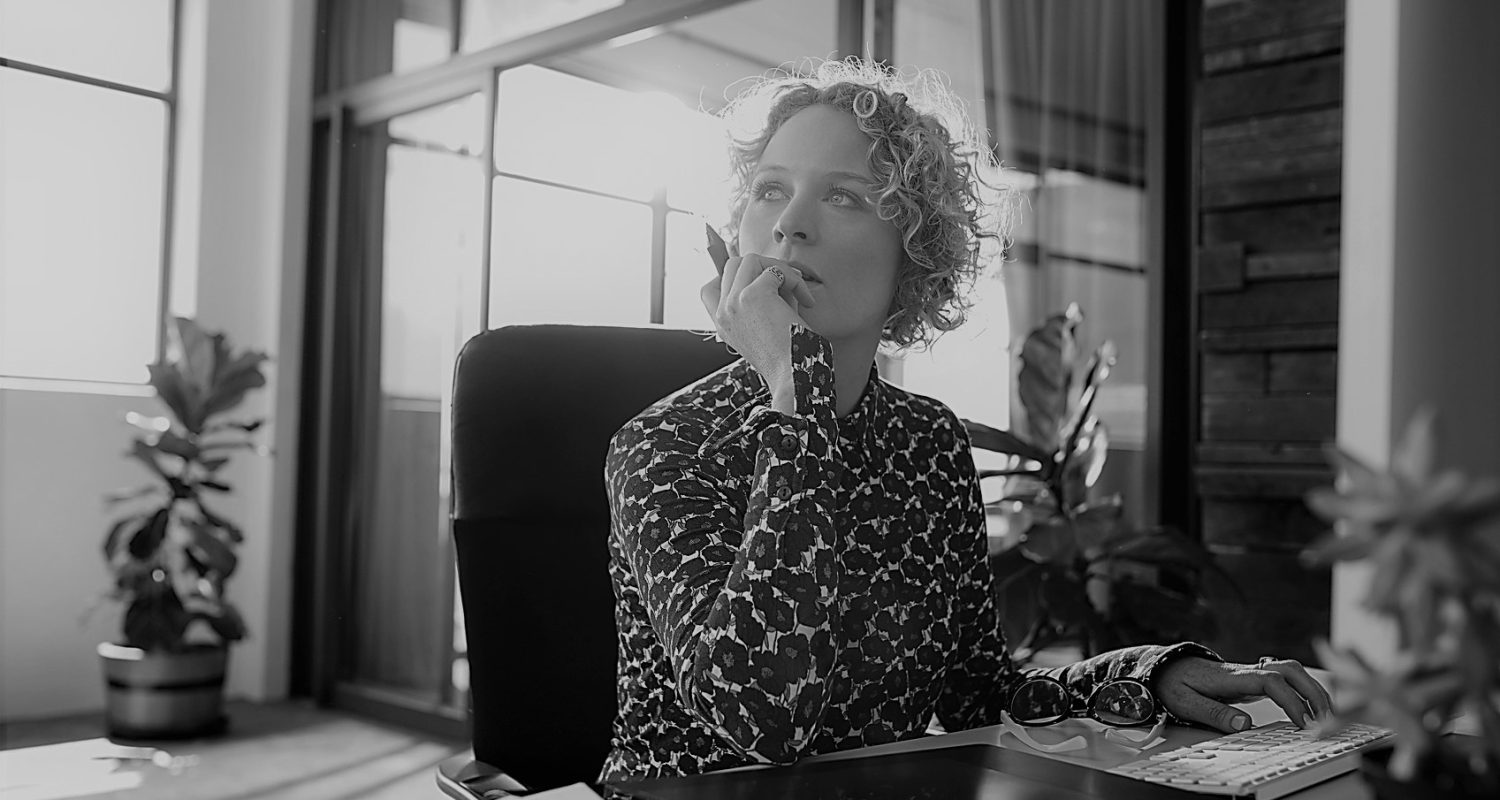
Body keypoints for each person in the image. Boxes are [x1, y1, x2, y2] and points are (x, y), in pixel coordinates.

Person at [598, 58, 1331, 786]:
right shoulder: (666, 446)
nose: (790, 225)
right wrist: (796, 394)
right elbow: (763, 715)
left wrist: (1151, 674)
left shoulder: (928, 443)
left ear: (913, 255)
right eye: (770, 190)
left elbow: (979, 692)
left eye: (845, 198)